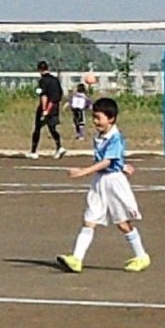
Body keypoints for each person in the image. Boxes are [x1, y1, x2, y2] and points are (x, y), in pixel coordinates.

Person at [56, 97, 150, 273]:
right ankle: (76, 259)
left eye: (99, 118)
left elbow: (107, 161)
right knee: (89, 220)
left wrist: (83, 171)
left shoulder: (115, 137)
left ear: (111, 118)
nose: (95, 121)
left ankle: (141, 256)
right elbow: (110, 159)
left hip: (114, 183)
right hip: (99, 182)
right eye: (94, 117)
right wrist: (121, 165)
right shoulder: (99, 137)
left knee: (122, 223)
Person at [27, 61, 65, 160]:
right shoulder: (55, 80)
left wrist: (45, 110)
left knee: (37, 128)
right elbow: (58, 95)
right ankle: (59, 147)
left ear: (39, 70)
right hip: (55, 107)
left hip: (47, 107)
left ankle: (34, 151)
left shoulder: (43, 81)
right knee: (52, 128)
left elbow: (44, 96)